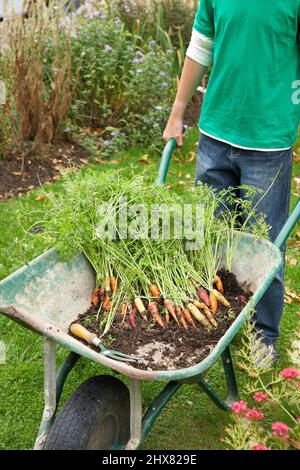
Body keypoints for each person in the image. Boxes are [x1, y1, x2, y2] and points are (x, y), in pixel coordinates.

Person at [163, 0, 300, 366]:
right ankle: (216, 320)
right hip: (215, 135)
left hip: (268, 142)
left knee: (264, 246)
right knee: (210, 239)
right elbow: (200, 47)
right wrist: (177, 112)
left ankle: (263, 334)